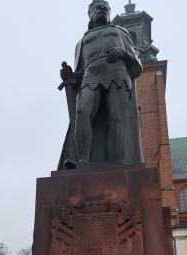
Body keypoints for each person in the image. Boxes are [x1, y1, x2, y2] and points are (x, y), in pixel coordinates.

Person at [58, 0, 143, 169]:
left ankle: (116, 163)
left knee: (115, 119)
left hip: (117, 74)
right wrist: (69, 75)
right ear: (90, 14)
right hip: (91, 77)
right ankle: (82, 161)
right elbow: (79, 73)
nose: (101, 10)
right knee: (82, 112)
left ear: (109, 13)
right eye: (97, 8)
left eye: (105, 8)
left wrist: (124, 53)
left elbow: (137, 66)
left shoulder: (119, 31)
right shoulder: (82, 41)